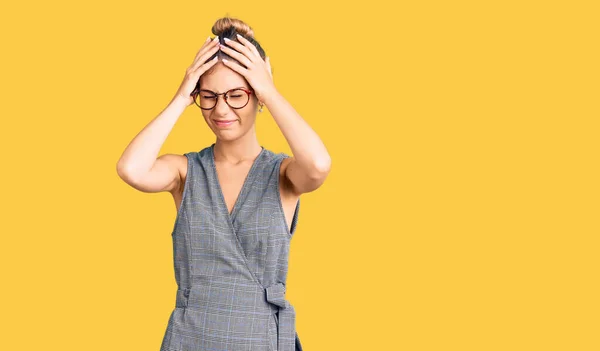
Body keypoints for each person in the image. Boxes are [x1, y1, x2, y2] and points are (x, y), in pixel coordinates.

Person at [116, 17, 331, 351]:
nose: (221, 109)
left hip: (261, 340)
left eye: (236, 95)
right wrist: (180, 97)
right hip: (190, 338)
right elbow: (131, 169)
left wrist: (271, 91)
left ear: (258, 96)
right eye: (208, 96)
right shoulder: (185, 172)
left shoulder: (283, 174)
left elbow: (318, 165)